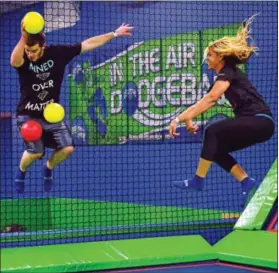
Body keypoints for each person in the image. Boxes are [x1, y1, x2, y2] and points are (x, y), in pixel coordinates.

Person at [11, 21, 134, 193]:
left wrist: (114, 34)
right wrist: (24, 37)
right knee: (36, 152)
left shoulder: (58, 54)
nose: (30, 55)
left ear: (43, 47)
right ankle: (21, 172)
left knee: (68, 148)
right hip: (28, 114)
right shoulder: (23, 59)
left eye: (34, 51)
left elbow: (88, 44)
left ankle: (48, 168)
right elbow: (14, 61)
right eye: (28, 51)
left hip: (51, 114)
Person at [169, 16, 274, 207]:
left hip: (260, 120)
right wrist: (180, 119)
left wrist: (186, 118)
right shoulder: (223, 77)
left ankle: (198, 181)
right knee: (214, 149)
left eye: (209, 55)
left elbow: (211, 99)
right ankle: (245, 180)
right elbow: (204, 102)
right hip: (259, 125)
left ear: (220, 57)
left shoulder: (228, 71)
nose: (206, 59)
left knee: (212, 131)